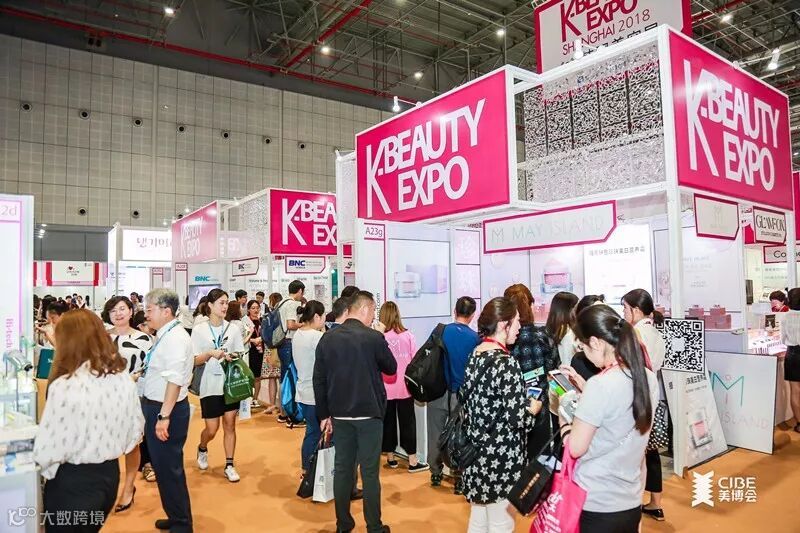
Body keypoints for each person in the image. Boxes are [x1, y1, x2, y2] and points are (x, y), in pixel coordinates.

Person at [34, 309, 143, 532]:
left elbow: (47, 449)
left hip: (72, 481)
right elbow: (135, 433)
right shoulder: (123, 379)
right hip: (109, 476)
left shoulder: (65, 386)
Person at [558, 304, 659, 533]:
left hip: (595, 500)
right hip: (630, 499)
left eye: (582, 346)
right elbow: (622, 420)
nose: (583, 352)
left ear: (596, 342)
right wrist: (586, 390)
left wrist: (564, 419)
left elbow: (575, 447)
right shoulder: (647, 379)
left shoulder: (601, 385)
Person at [314, 291, 397, 533]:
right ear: (364, 309)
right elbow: (391, 368)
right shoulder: (373, 337)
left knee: (343, 470)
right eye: (373, 312)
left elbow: (319, 379)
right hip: (369, 414)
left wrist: (324, 415)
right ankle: (374, 527)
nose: (373, 317)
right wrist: (381, 336)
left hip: (340, 414)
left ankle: (343, 524)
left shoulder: (328, 338)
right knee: (369, 473)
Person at [459, 298, 541, 532]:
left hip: (476, 451)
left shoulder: (476, 354)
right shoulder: (506, 363)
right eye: (517, 322)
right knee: (501, 522)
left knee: (478, 519)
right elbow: (518, 418)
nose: (519, 328)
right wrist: (532, 409)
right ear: (504, 324)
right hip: (501, 457)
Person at [142, 289, 194, 533]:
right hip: (159, 407)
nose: (146, 314)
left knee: (170, 470)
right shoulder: (166, 334)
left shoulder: (175, 339)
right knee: (164, 469)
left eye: (149, 309)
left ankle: (182, 524)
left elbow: (174, 381)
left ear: (166, 311)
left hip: (166, 410)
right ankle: (175, 517)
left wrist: (163, 416)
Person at [102, 296, 155, 512]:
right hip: (105, 398)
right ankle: (107, 488)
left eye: (122, 309)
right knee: (107, 443)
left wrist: (133, 378)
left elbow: (150, 367)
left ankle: (128, 487)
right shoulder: (101, 337)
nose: (118, 313)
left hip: (133, 396)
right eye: (113, 310)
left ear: (131, 311)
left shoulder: (144, 339)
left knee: (132, 443)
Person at [622, 288, 667, 522]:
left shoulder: (635, 334)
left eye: (625, 308)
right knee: (652, 453)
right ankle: (656, 504)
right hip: (653, 397)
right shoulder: (657, 333)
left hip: (636, 399)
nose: (623, 313)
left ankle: (632, 504)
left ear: (636, 310)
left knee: (635, 455)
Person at [192, 288, 246, 483]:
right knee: (212, 429)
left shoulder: (233, 329)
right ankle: (202, 447)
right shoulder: (199, 330)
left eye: (226, 303)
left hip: (229, 383)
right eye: (221, 303)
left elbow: (240, 352)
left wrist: (232, 356)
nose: (225, 306)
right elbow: (194, 360)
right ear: (210, 305)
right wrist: (209, 353)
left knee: (230, 424)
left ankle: (229, 464)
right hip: (209, 384)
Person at [428, 296, 479, 492]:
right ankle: (458, 478)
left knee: (435, 433)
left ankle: (435, 472)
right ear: (472, 315)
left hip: (438, 391)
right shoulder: (475, 338)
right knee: (460, 436)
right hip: (462, 396)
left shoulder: (440, 331)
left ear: (454, 311)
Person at [504, 284, 560, 461]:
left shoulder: (505, 342)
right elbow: (554, 370)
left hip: (510, 413)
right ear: (530, 305)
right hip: (540, 409)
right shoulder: (544, 337)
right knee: (538, 464)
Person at [378, 302, 428, 473]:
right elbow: (415, 362)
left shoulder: (380, 338)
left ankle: (391, 457)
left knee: (388, 422)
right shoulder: (408, 336)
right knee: (408, 423)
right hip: (405, 388)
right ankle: (413, 461)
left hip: (386, 387)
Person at [292, 300, 326, 475]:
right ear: (317, 317)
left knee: (311, 432)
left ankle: (306, 470)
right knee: (316, 433)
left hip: (303, 391)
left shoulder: (298, 333)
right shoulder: (316, 337)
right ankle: (311, 472)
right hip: (315, 393)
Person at [276, 281, 305, 424]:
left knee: (284, 378)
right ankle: (291, 414)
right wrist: (304, 325)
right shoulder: (292, 304)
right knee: (290, 378)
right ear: (300, 291)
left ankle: (283, 413)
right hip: (288, 343)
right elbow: (290, 325)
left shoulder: (281, 303)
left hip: (282, 344)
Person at [780, 287, 800, 433]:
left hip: (792, 354)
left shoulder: (785, 317)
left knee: (795, 390)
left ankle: (799, 423)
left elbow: (782, 339)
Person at [243, 300, 267, 409]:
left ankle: (255, 399)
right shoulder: (244, 321)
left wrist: (261, 338)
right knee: (248, 376)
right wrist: (253, 340)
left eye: (257, 308)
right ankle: (246, 399)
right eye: (253, 308)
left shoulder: (262, 321)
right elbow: (242, 337)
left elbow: (266, 334)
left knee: (257, 377)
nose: (255, 310)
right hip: (248, 351)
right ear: (248, 309)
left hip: (260, 351)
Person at [545, 291, 580, 366]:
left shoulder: (549, 330)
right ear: (569, 310)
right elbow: (567, 361)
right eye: (577, 308)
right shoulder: (568, 333)